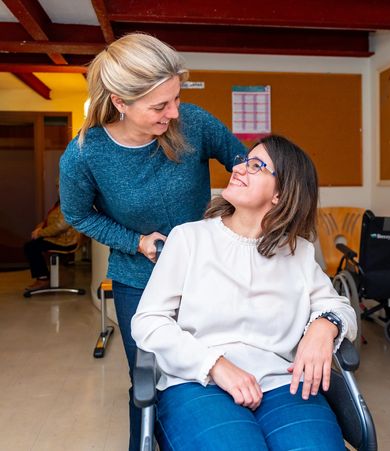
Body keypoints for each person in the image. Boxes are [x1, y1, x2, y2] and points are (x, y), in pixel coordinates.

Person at [59, 33, 246, 450]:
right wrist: (135, 241)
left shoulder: (192, 123)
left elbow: (245, 166)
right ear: (120, 102)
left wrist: (241, 218)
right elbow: (78, 214)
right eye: (160, 105)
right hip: (138, 280)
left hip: (208, 274)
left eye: (176, 98)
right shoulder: (84, 155)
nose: (174, 112)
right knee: (149, 379)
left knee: (211, 371)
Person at [131, 135, 357, 450]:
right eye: (243, 161)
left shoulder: (298, 253)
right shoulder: (189, 239)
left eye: (256, 166)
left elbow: (339, 306)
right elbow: (148, 320)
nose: (239, 169)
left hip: (283, 385)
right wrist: (215, 364)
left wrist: (324, 325)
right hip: (199, 382)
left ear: (281, 194)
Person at [23, 199, 79, 292]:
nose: (58, 189)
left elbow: (60, 227)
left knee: (31, 247)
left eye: (59, 186)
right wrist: (40, 228)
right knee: (32, 245)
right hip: (60, 238)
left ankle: (43, 279)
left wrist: (40, 233)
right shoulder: (62, 202)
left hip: (66, 241)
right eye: (57, 186)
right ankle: (43, 277)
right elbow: (52, 221)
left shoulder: (70, 202)